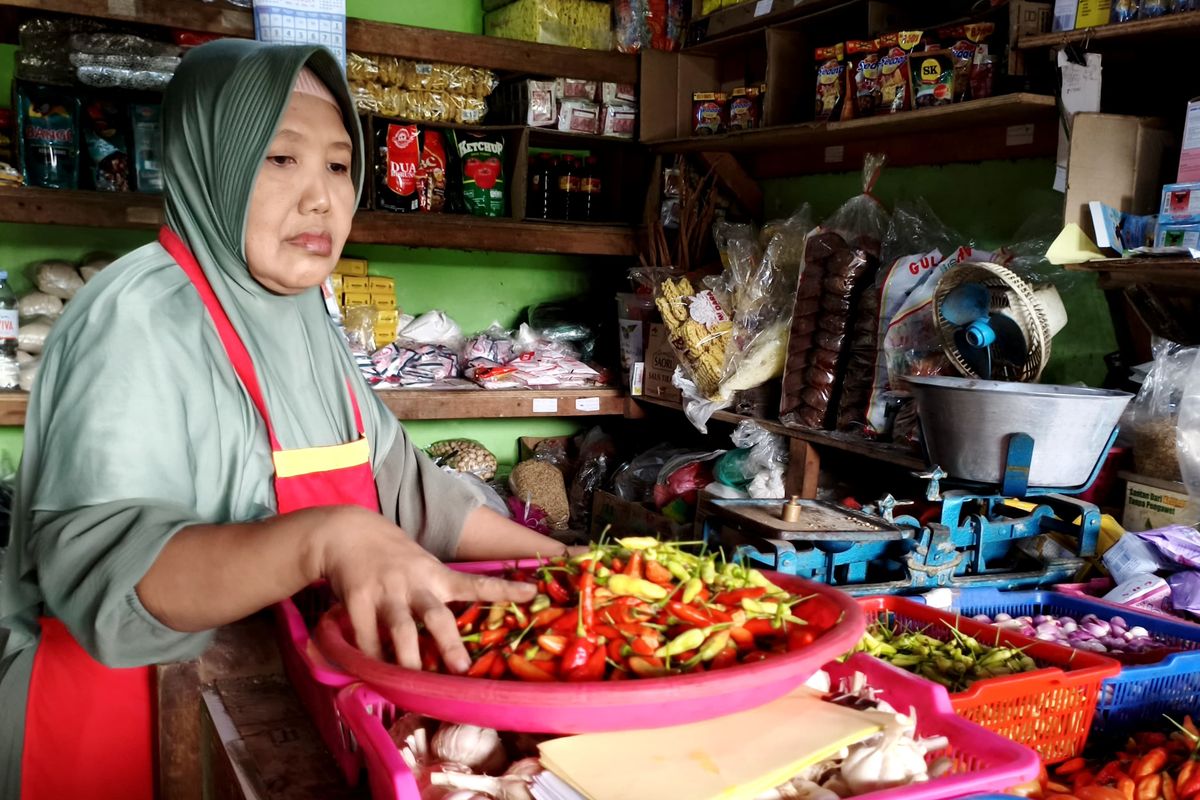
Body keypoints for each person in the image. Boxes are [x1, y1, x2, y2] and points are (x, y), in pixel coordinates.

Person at [0, 40, 565, 799]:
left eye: (338, 165)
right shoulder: (134, 318)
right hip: (120, 728)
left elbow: (407, 492)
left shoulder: (303, 319)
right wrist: (324, 538)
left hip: (262, 705)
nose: (321, 199)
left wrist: (565, 571)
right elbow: (109, 571)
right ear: (210, 163)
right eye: (280, 159)